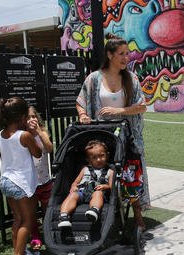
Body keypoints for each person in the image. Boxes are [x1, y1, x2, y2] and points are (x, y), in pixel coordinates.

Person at [75, 33, 151, 234]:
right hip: (101, 137)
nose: (126, 57)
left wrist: (120, 111)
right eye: (122, 54)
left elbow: (142, 106)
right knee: (103, 174)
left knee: (130, 175)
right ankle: (105, 213)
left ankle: (138, 216)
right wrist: (83, 115)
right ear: (110, 55)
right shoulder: (94, 79)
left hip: (127, 137)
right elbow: (81, 101)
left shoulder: (131, 78)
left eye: (128, 53)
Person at [0, 97, 43, 255]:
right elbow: (38, 153)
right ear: (22, 117)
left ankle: (18, 250)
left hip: (6, 180)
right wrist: (34, 133)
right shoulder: (24, 135)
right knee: (28, 221)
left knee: (17, 218)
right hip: (21, 183)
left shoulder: (0, 135)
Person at [58, 140, 114, 228]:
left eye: (101, 156)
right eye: (94, 157)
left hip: (97, 193)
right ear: (88, 160)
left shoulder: (110, 172)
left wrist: (105, 186)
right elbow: (76, 182)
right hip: (82, 192)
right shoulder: (85, 169)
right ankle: (63, 215)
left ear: (107, 155)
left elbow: (111, 186)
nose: (98, 159)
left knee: (97, 193)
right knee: (72, 195)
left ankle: (94, 210)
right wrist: (73, 187)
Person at [25, 106, 53, 251]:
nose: (32, 119)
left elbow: (49, 148)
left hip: (45, 180)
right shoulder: (22, 135)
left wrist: (39, 133)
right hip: (30, 183)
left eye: (33, 116)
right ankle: (35, 236)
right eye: (28, 117)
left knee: (47, 209)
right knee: (31, 212)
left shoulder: (42, 132)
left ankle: (49, 234)